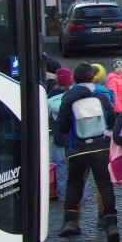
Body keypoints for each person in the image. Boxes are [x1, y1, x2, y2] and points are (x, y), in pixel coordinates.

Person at [54, 62, 119, 242]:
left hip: (76, 148)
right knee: (105, 185)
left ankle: (71, 221)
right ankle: (111, 224)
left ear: (74, 79)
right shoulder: (101, 95)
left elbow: (62, 125)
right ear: (93, 78)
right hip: (100, 147)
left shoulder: (69, 97)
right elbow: (112, 120)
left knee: (74, 183)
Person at [47, 67, 73, 200]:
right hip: (74, 137)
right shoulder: (74, 95)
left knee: (60, 166)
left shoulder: (50, 97)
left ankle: (62, 194)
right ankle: (81, 194)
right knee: (76, 168)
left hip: (57, 136)